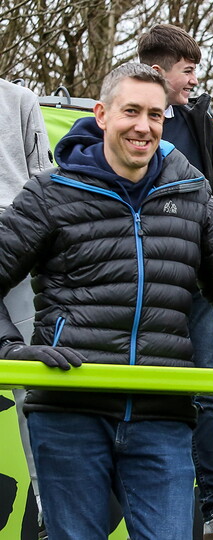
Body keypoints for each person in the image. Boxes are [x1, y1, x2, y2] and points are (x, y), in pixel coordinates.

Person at [0, 63, 213, 539]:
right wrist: (8, 348)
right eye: (130, 111)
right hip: (69, 410)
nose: (143, 126)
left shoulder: (191, 192)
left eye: (155, 114)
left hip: (162, 415)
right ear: (101, 115)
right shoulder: (51, 193)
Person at [137, 24, 213, 539]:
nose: (193, 82)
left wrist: (203, 245)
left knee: (205, 395)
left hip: (197, 287)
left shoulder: (197, 119)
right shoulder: (118, 126)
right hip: (139, 290)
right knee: (126, 397)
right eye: (187, 72)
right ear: (157, 71)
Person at [0, 77, 53, 538]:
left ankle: (47, 510)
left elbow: (42, 178)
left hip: (15, 239)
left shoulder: (19, 98)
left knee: (30, 383)